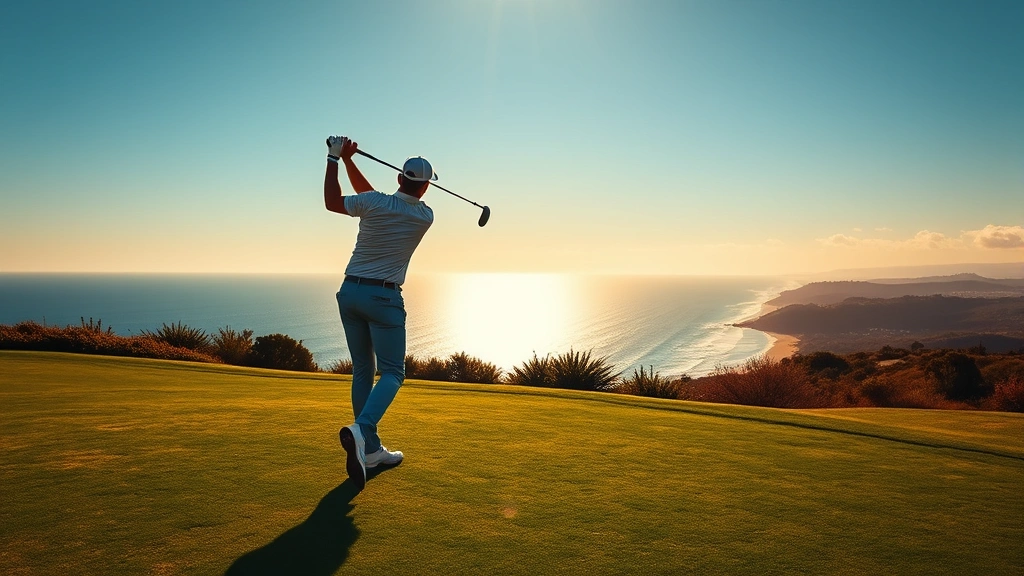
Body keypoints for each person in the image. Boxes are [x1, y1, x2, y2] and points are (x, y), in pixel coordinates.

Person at [323, 135, 435, 491]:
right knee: (392, 373)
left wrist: (336, 157)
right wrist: (350, 160)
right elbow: (377, 198)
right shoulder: (424, 216)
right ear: (426, 187)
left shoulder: (374, 203)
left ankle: (369, 450)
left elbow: (333, 203)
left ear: (400, 179)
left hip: (350, 292)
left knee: (363, 369)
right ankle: (362, 430)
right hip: (384, 299)